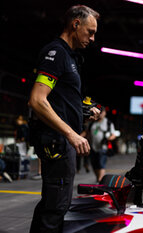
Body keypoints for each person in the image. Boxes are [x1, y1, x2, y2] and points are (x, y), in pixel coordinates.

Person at [28, 5, 100, 233]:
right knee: (57, 207)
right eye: (90, 31)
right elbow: (38, 100)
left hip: (60, 139)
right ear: (75, 24)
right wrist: (71, 133)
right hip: (57, 141)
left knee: (52, 204)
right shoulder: (56, 53)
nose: (93, 38)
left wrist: (83, 114)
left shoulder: (69, 57)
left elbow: (59, 102)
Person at [86, 107, 117, 182]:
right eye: (99, 112)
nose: (100, 114)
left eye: (102, 112)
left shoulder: (108, 123)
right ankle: (99, 180)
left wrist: (108, 138)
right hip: (93, 147)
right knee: (94, 165)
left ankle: (101, 180)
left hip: (103, 147)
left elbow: (114, 134)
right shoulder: (92, 122)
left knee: (101, 164)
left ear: (105, 113)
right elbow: (88, 133)